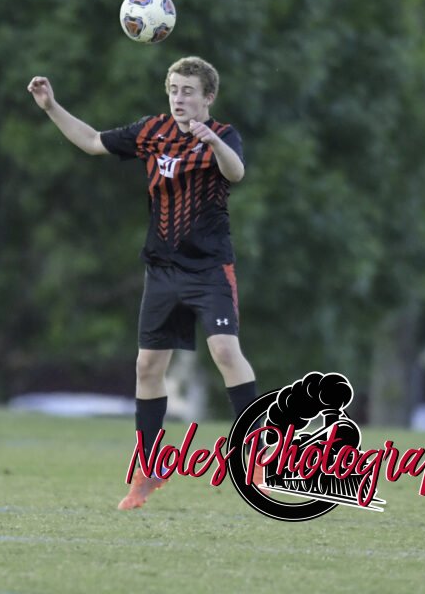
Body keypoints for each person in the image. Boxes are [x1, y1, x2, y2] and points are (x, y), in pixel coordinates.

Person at [27, 56, 258, 510]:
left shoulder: (223, 135)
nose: (179, 98)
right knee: (147, 368)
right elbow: (93, 142)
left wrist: (210, 139)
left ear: (208, 97)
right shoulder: (152, 131)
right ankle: (150, 470)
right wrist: (51, 106)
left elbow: (236, 172)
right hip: (163, 271)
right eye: (173, 89)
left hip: (209, 269)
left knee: (226, 351)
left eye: (188, 91)